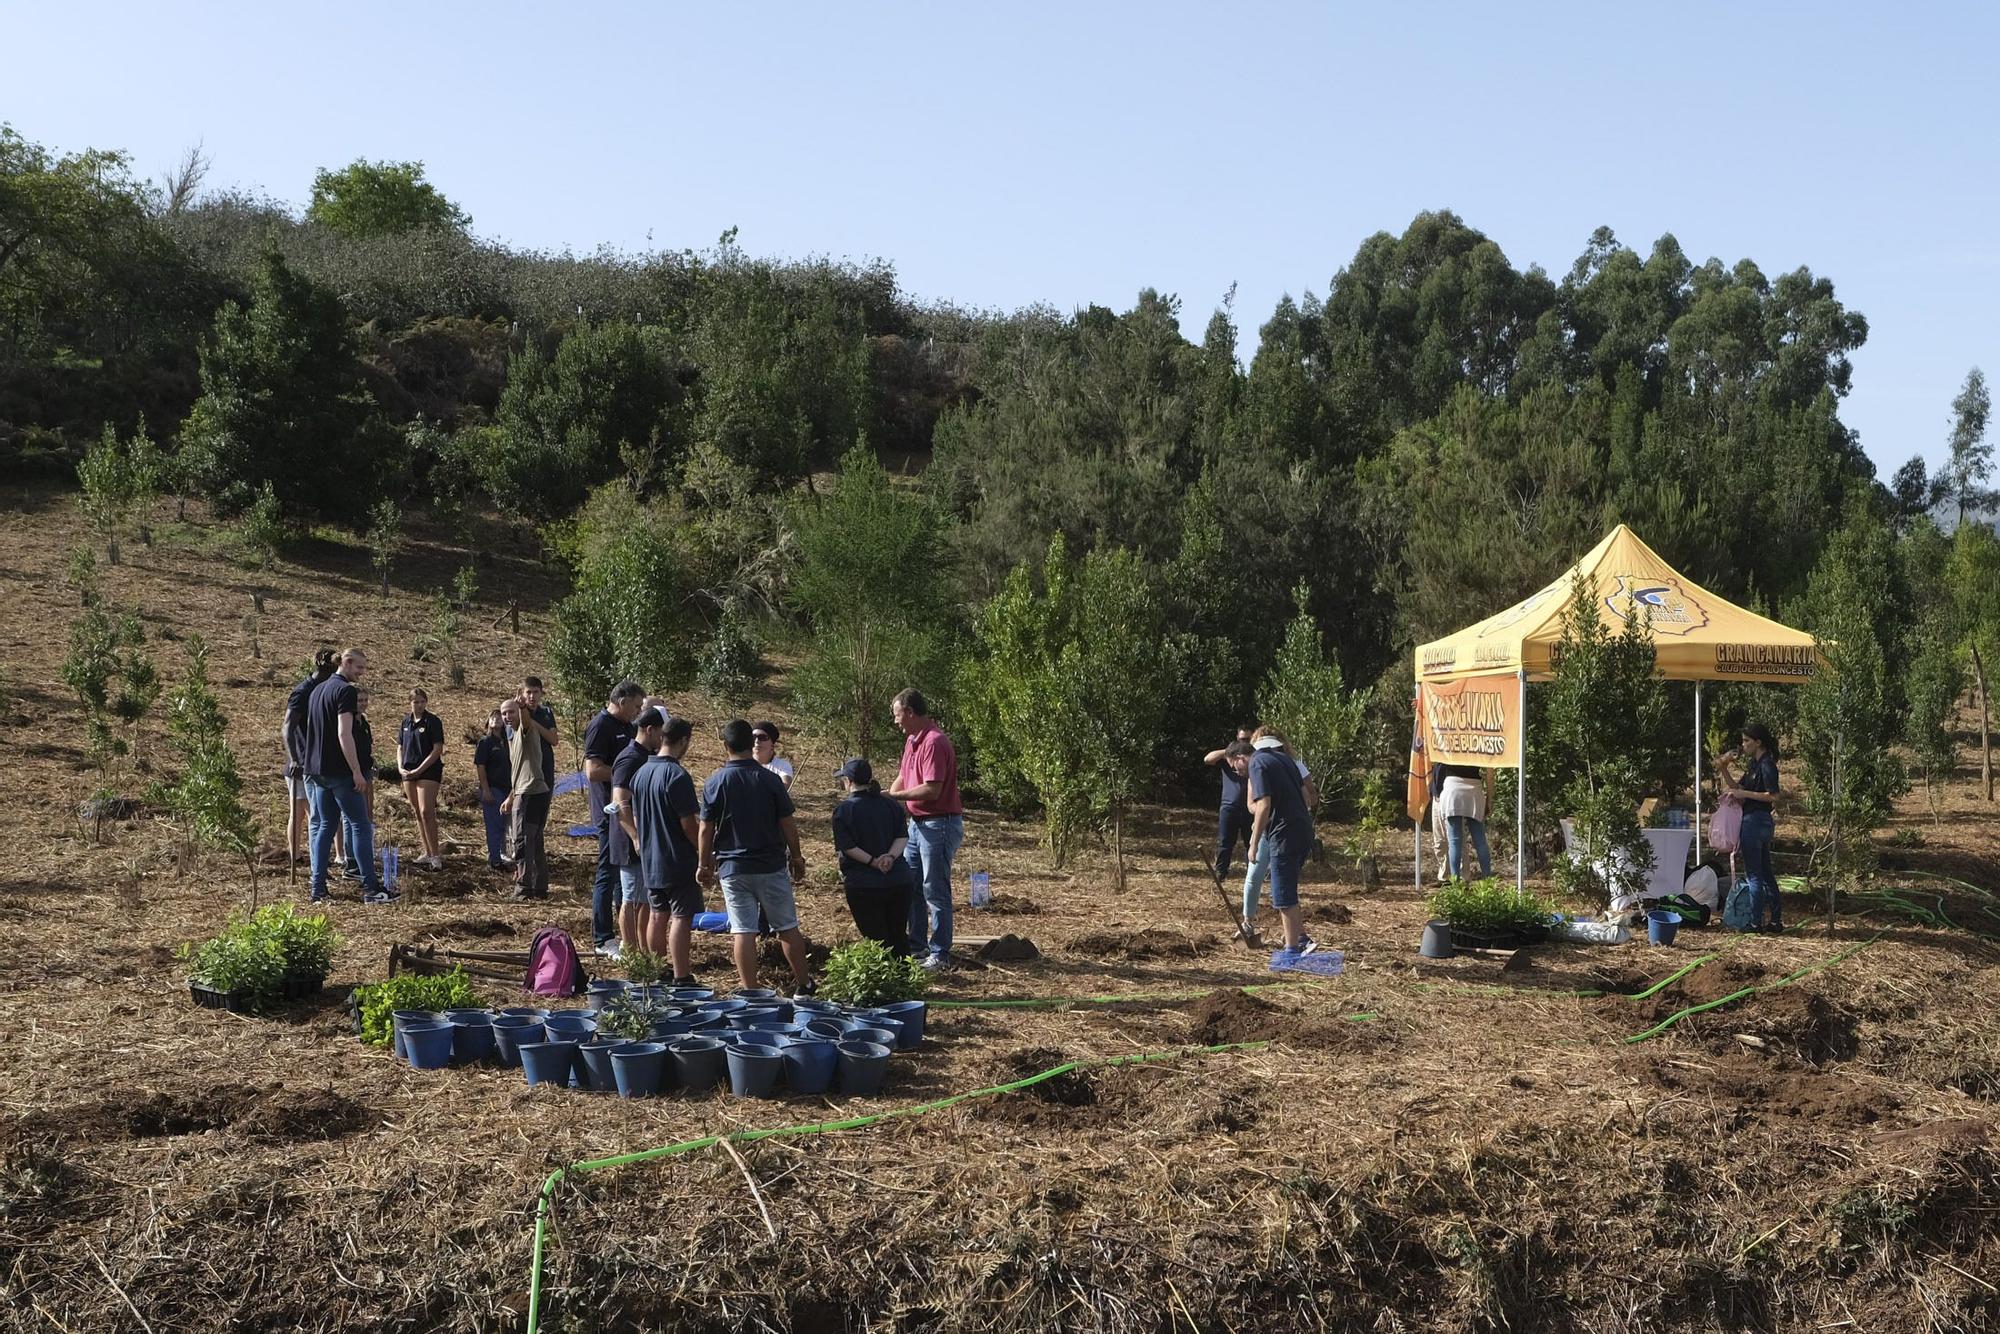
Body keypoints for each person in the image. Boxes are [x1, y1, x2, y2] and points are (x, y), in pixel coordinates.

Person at [697, 718, 813, 993]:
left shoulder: (715, 782)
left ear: (725, 746)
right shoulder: (769, 780)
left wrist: (704, 864)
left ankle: (751, 992)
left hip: (733, 868)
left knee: (743, 930)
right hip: (770, 865)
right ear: (752, 745)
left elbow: (705, 829)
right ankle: (804, 985)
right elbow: (787, 823)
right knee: (786, 927)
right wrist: (796, 857)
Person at [304, 648, 393, 904]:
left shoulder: (318, 689)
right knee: (361, 825)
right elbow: (344, 733)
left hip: (318, 771)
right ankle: (371, 888)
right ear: (347, 662)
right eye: (360, 667)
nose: (362, 673)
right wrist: (356, 771)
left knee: (324, 826)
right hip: (340, 770)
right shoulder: (345, 691)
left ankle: (318, 889)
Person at [883, 688, 962, 972]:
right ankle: (917, 947)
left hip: (938, 823)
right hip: (917, 826)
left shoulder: (934, 742)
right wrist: (886, 796)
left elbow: (932, 789)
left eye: (897, 714)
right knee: (912, 885)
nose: (895, 721)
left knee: (935, 889)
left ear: (910, 712)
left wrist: (894, 799)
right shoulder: (912, 741)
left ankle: (940, 954)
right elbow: (903, 777)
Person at [631, 714, 703, 986]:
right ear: (683, 741)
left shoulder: (641, 773)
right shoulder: (676, 775)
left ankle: (657, 970)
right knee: (681, 917)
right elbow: (688, 825)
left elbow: (636, 816)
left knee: (658, 914)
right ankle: (681, 975)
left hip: (651, 859)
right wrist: (705, 854)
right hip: (677, 858)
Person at [1232, 731, 1317, 955]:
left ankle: (1291, 951)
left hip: (1284, 834)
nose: (1239, 773)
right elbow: (1307, 796)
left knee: (1283, 894)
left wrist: (1252, 843)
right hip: (1302, 830)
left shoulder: (1258, 763)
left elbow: (1263, 805)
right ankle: (1299, 940)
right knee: (1285, 889)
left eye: (1236, 767)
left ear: (1242, 757)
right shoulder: (1286, 760)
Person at [583, 681, 645, 957]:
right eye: (635, 706)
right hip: (609, 812)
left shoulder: (627, 727)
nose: (638, 711)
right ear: (621, 701)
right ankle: (602, 938)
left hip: (628, 810)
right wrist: (625, 772)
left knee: (624, 875)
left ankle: (626, 939)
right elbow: (593, 771)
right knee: (607, 873)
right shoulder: (601, 726)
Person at [832, 757, 916, 955]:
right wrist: (889, 857)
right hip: (898, 880)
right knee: (898, 935)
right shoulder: (891, 805)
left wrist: (873, 862)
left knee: (876, 940)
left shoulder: (844, 810)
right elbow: (902, 836)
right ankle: (905, 980)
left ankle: (883, 981)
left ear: (849, 781)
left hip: (864, 884)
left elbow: (848, 847)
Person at [1718, 722, 1783, 934]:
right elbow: (1738, 788)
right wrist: (1724, 768)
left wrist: (1745, 795)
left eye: (1747, 741)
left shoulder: (1767, 765)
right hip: (1757, 822)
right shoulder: (1755, 765)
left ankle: (1755, 923)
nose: (1743, 745)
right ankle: (1775, 921)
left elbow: (1773, 795)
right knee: (1765, 872)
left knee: (1755, 875)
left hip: (1757, 821)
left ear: (1758, 742)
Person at [611, 707, 665, 957]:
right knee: (630, 899)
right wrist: (635, 836)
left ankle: (643, 950)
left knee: (644, 898)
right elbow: (620, 802)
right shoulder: (629, 758)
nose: (663, 739)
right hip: (630, 840)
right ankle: (630, 952)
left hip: (646, 839)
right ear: (650, 729)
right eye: (660, 733)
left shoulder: (646, 757)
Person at [283, 649, 337, 868]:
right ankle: (302, 859)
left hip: (318, 763)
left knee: (311, 814)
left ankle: (311, 860)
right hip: (302, 763)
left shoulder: (327, 689)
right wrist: (294, 758)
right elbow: (287, 727)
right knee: (307, 814)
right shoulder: (303, 691)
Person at [500, 696, 550, 900]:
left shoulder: (525, 730)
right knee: (535, 842)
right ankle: (539, 887)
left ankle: (523, 888)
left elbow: (527, 722)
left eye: (510, 712)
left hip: (530, 793)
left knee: (522, 841)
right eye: (503, 713)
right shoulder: (513, 736)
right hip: (533, 791)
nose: (507, 717)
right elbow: (521, 771)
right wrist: (511, 796)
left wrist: (522, 708)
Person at [398, 687, 446, 871]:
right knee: (416, 811)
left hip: (428, 771)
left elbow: (437, 749)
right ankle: (426, 851)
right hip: (408, 771)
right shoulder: (405, 722)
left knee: (427, 811)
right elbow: (400, 747)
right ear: (410, 702)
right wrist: (400, 766)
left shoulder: (432, 721)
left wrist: (419, 769)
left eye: (421, 701)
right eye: (415, 701)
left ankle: (436, 855)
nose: (418, 705)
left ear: (426, 702)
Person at [1203, 726, 1254, 879]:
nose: (1244, 742)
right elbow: (1207, 759)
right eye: (1242, 739)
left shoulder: (1255, 758)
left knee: (1251, 842)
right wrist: (1228, 752)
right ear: (1237, 738)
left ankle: (1252, 874)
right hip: (1229, 806)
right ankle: (1220, 873)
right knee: (1224, 842)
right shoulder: (1229, 758)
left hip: (1250, 806)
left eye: (1247, 739)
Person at [1433, 761, 1495, 880]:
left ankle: (1455, 884)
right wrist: (1490, 799)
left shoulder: (1449, 741)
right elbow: (1490, 773)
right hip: (1474, 789)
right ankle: (1488, 879)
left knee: (1454, 841)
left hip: (1452, 788)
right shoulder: (1479, 741)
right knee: (1480, 840)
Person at [472, 710, 511, 870]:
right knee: (494, 825)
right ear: (488, 721)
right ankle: (494, 860)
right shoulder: (485, 742)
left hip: (509, 789)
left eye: (499, 716)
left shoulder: (509, 741)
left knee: (505, 825)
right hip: (493, 788)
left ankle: (504, 855)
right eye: (493, 716)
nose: (496, 719)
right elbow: (480, 766)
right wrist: (486, 790)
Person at [517, 676, 559, 792]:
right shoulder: (518, 712)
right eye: (528, 692)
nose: (532, 696)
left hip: (546, 768)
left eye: (535, 692)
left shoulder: (546, 712)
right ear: (522, 693)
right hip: (527, 772)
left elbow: (554, 740)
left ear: (541, 693)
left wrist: (534, 724)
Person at [752, 721, 795, 789]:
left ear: (772, 743)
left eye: (762, 737)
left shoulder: (783, 766)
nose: (756, 741)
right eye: (753, 737)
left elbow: (783, 787)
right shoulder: (741, 764)